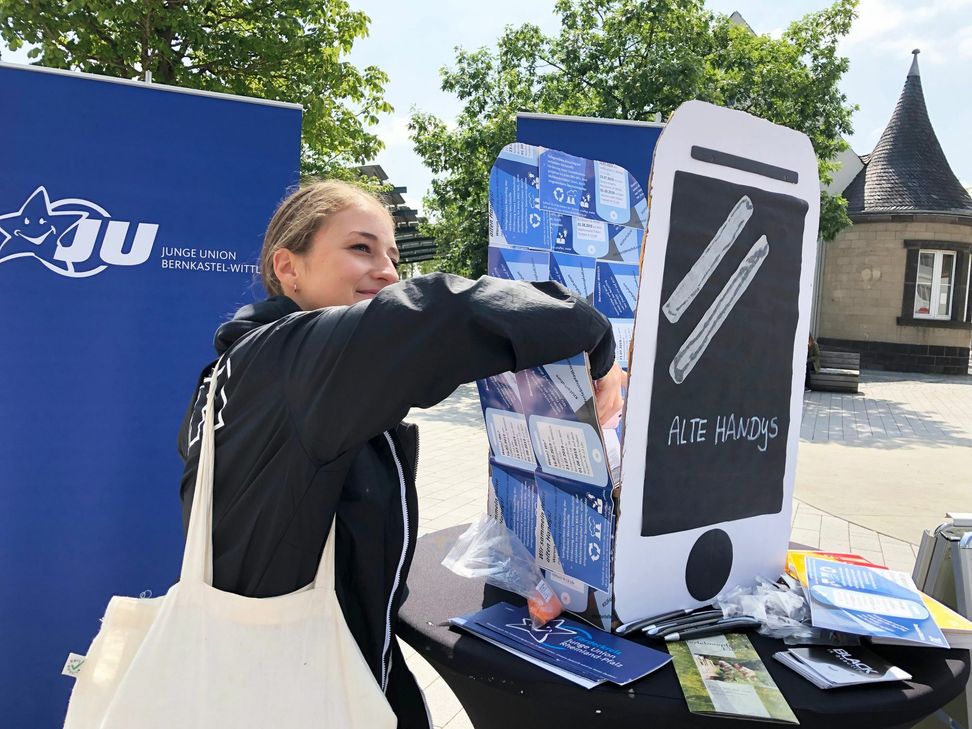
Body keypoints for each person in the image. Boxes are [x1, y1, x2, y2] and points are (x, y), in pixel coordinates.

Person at [177, 180, 624, 728]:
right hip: (302, 691)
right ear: (289, 268)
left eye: (391, 254)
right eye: (360, 248)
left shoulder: (245, 369)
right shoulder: (292, 362)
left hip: (293, 670)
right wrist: (595, 341)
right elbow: (441, 315)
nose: (388, 271)